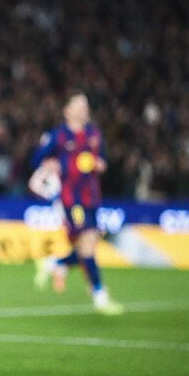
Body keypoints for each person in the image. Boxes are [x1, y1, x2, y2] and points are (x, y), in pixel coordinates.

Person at [29, 90, 123, 315]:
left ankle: (55, 263)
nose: (83, 109)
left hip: (92, 197)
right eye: (79, 105)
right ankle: (100, 296)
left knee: (87, 244)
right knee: (88, 243)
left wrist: (100, 164)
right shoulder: (58, 135)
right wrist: (48, 163)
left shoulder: (94, 133)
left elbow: (103, 160)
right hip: (71, 199)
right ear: (67, 111)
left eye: (85, 105)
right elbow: (35, 159)